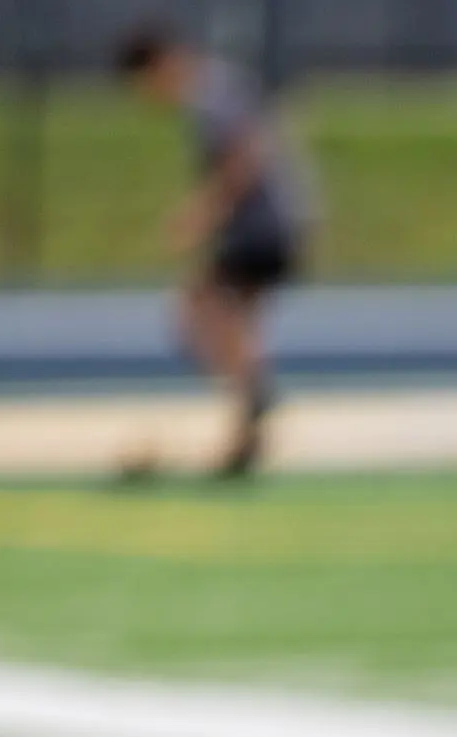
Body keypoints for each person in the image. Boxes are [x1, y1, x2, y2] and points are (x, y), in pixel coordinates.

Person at [114, 20, 310, 478]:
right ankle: (245, 433)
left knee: (199, 310)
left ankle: (253, 392)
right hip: (273, 222)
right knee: (233, 320)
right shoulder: (219, 87)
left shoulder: (211, 93)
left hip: (262, 226)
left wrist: (203, 213)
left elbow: (245, 155)